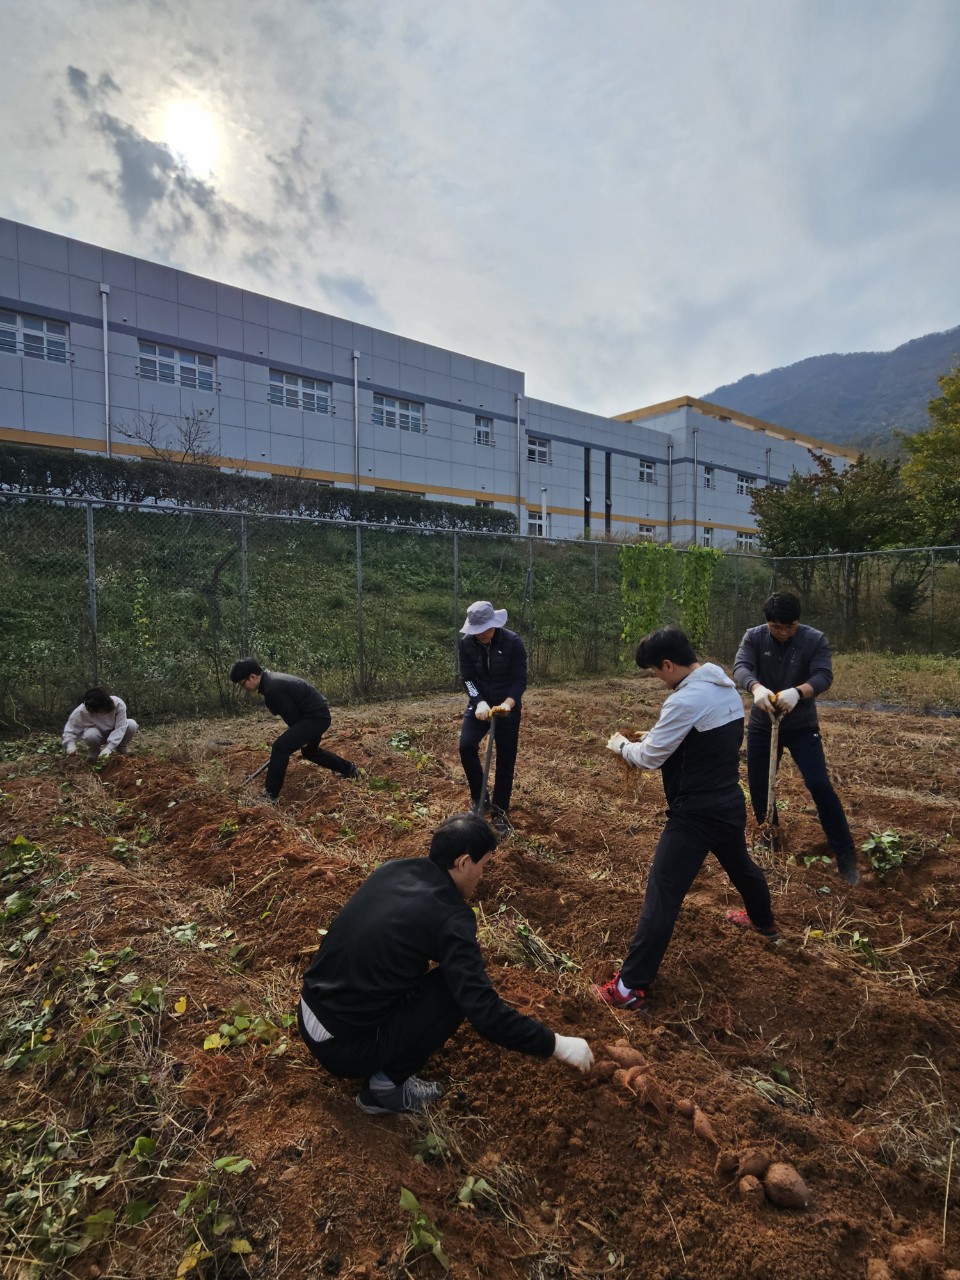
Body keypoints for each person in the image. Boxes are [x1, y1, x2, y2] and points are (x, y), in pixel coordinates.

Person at [297, 812, 594, 1114]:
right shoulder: (451, 917)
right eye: (485, 865)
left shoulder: (393, 869)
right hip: (342, 1049)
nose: (483, 875)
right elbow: (484, 1012)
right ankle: (383, 1090)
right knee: (452, 991)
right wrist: (556, 1044)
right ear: (464, 862)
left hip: (309, 1011)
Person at [593, 627, 778, 1014]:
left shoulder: (685, 699)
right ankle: (763, 923)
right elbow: (697, 737)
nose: (658, 680)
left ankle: (628, 988)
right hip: (729, 799)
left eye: (656, 672)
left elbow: (649, 758)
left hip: (695, 813)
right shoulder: (724, 686)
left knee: (662, 894)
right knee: (741, 866)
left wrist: (623, 745)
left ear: (668, 664)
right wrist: (656, 735)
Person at [733, 591, 859, 885]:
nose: (783, 632)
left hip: (802, 724)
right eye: (777, 627)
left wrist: (799, 692)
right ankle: (769, 836)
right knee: (760, 785)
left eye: (789, 627)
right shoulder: (754, 637)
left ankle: (846, 855)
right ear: (768, 623)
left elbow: (824, 676)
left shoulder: (814, 639)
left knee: (819, 784)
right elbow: (740, 668)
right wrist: (755, 688)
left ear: (797, 623)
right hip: (764, 723)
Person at [229, 658, 357, 804]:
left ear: (252, 676)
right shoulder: (270, 681)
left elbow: (291, 716)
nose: (244, 687)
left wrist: (300, 738)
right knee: (309, 752)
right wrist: (299, 737)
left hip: (315, 717)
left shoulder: (272, 689)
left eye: (242, 684)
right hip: (317, 715)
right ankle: (349, 769)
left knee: (280, 747)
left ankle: (270, 796)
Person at [458, 600, 527, 835]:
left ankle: (500, 812)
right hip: (481, 705)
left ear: (494, 625)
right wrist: (479, 702)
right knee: (466, 746)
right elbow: (467, 678)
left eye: (486, 629)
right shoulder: (466, 644)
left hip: (507, 705)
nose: (482, 635)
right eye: (477, 631)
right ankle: (480, 799)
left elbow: (520, 679)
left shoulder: (512, 642)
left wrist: (508, 703)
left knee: (506, 760)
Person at [62, 686, 137, 760]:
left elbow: (121, 727)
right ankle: (94, 754)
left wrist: (109, 748)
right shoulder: (82, 711)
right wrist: (71, 746)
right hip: (98, 735)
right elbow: (70, 729)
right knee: (90, 734)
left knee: (131, 724)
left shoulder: (118, 704)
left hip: (115, 733)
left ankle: (122, 748)